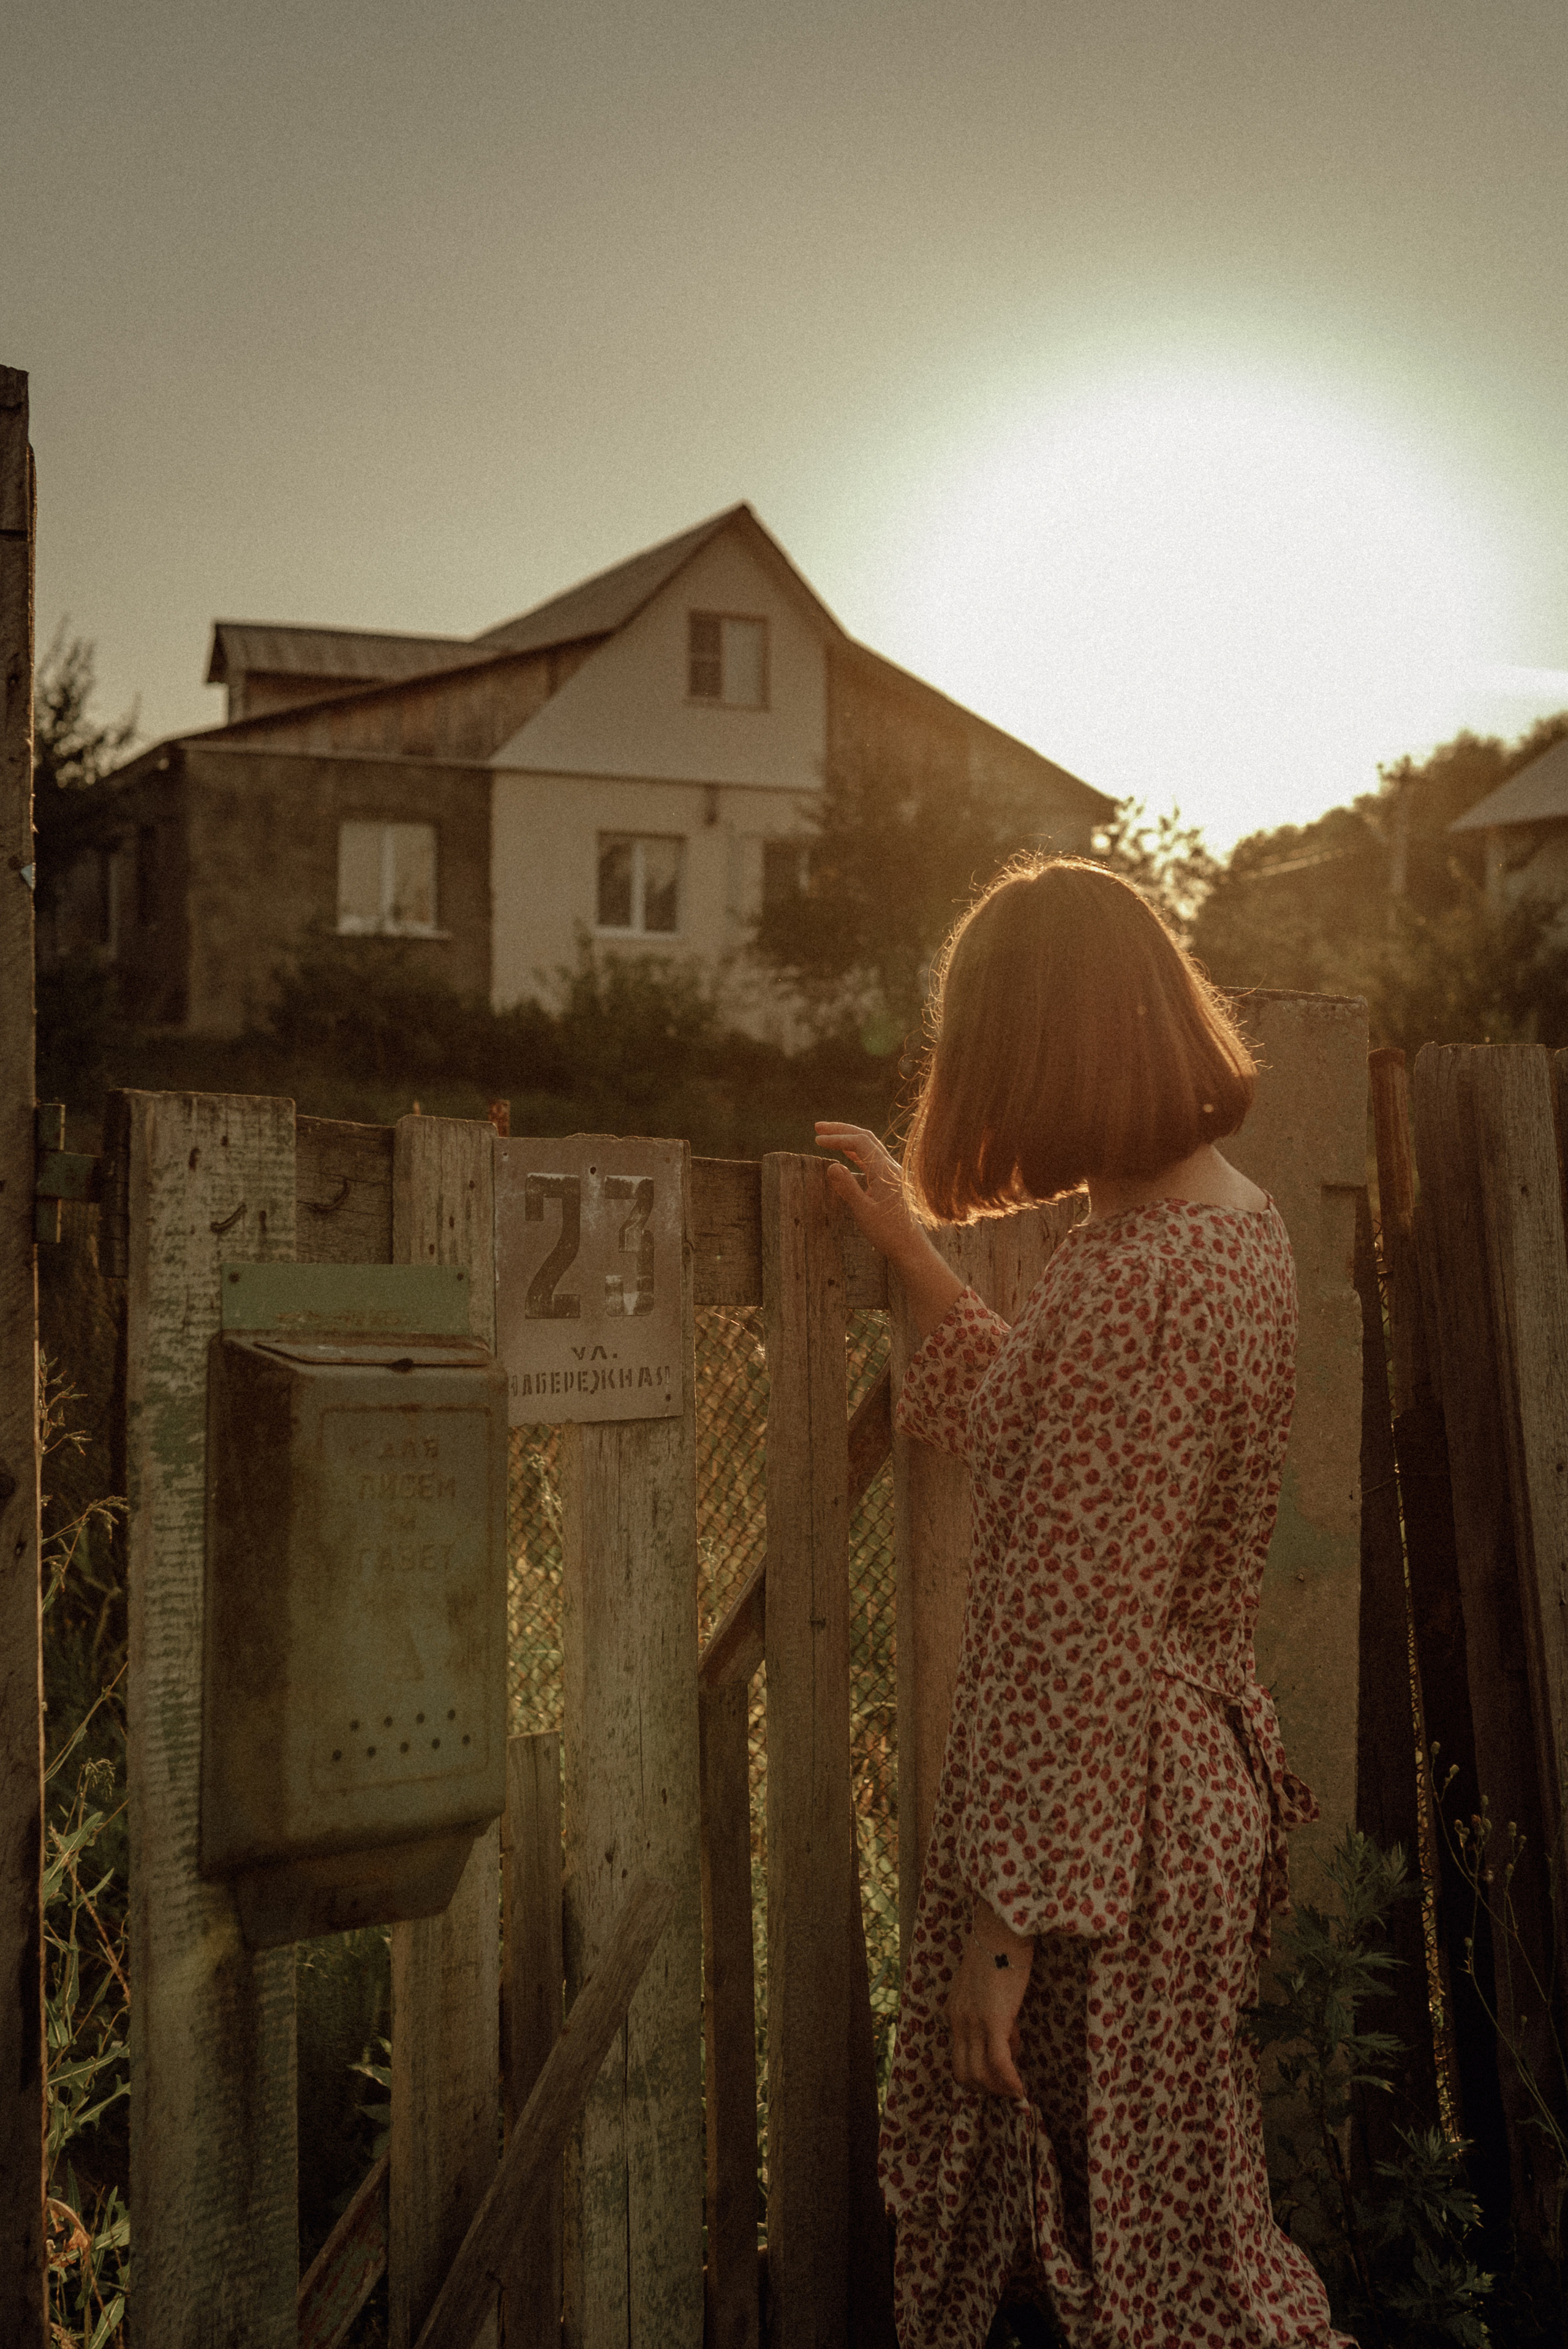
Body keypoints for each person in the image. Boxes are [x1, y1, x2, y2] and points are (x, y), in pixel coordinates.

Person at [816, 856, 1343, 2349]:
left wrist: (1003, 1935)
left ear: (1042, 1053)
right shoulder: (1223, 1231)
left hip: (1104, 1850)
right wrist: (919, 1258)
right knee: (1177, 2235)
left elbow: (1079, 1630)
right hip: (1167, 1818)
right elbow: (1046, 1441)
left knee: (1144, 2282)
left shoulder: (1141, 1281)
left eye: (982, 1056)